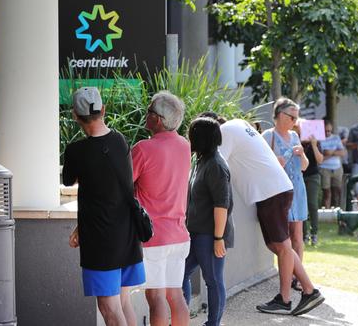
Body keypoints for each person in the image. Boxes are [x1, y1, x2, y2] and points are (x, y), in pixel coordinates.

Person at [204, 112, 324, 316]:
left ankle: (287, 299)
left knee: (283, 247)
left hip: (271, 192)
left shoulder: (224, 132)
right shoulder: (240, 124)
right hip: (273, 190)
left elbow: (217, 166)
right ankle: (309, 290)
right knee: (276, 245)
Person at [63, 87, 145, 326]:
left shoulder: (77, 151)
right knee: (123, 302)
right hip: (127, 233)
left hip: (101, 239)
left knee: (109, 309)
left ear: (75, 116)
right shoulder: (120, 140)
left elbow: (69, 180)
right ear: (103, 110)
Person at [132, 91, 191, 326]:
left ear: (157, 119)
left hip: (153, 237)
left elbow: (122, 184)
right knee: (175, 295)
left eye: (149, 111)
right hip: (179, 234)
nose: (145, 115)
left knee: (155, 297)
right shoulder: (185, 145)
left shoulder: (143, 149)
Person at [182, 117, 234, 326]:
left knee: (212, 280)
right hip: (195, 231)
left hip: (210, 234)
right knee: (181, 274)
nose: (188, 138)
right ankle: (181, 318)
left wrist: (218, 238)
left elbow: (221, 205)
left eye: (192, 134)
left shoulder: (216, 165)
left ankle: (213, 323)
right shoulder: (200, 160)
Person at [262, 98, 309, 292]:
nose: (295, 121)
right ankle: (287, 275)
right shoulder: (267, 136)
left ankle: (296, 278)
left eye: (297, 118)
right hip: (279, 192)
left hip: (297, 190)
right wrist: (276, 161)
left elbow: (304, 167)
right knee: (283, 237)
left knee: (297, 235)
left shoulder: (295, 137)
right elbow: (261, 165)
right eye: (292, 117)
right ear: (280, 115)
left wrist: (302, 155)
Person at [298, 121, 324, 246]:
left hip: (313, 175)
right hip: (301, 175)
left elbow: (320, 160)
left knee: (312, 204)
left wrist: (314, 145)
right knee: (301, 204)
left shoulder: (317, 143)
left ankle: (315, 232)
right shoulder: (296, 140)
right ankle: (304, 233)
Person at [318, 120, 346, 209]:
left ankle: (336, 211)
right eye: (325, 131)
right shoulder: (318, 140)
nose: (327, 133)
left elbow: (343, 152)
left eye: (329, 131)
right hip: (324, 168)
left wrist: (330, 152)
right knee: (326, 191)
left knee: (337, 191)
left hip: (337, 168)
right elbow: (320, 158)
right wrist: (333, 153)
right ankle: (325, 211)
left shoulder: (336, 138)